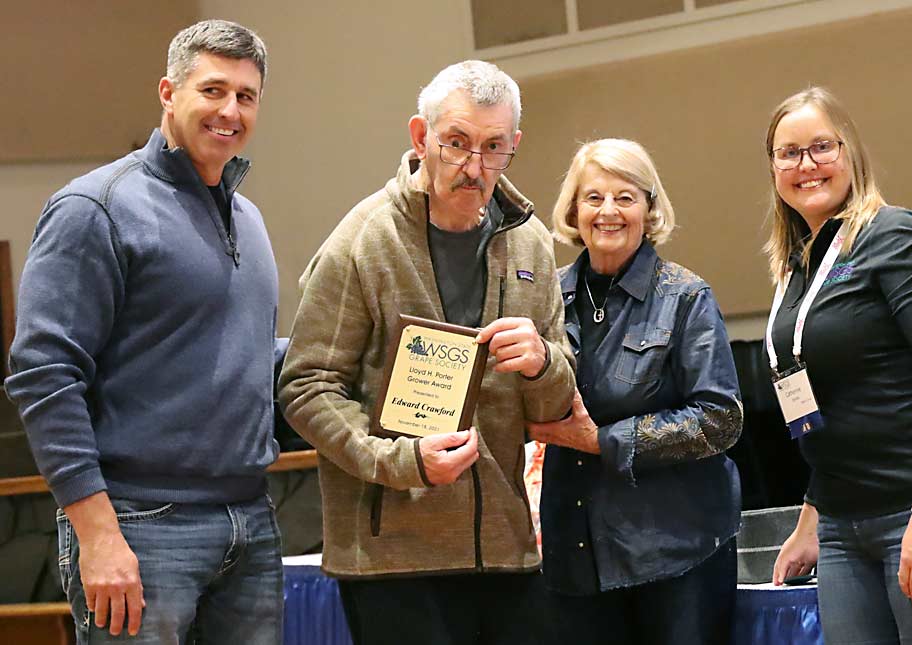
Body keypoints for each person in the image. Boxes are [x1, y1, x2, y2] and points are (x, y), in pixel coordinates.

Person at [277, 60, 576, 645]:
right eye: (457, 143)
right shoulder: (361, 241)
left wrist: (542, 362)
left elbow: (559, 395)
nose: (474, 167)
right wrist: (401, 461)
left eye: (493, 148)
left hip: (504, 550)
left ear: (514, 144)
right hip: (392, 558)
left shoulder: (533, 242)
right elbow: (306, 386)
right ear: (420, 137)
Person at [5, 20, 282, 643]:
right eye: (212, 90)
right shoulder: (95, 208)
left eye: (246, 96)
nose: (230, 110)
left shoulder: (249, 218)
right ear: (168, 92)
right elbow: (44, 376)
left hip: (250, 521)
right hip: (139, 524)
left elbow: (245, 357)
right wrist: (98, 534)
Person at [765, 87, 912, 644]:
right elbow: (832, 401)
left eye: (821, 146)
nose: (806, 165)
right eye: (788, 152)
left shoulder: (895, 235)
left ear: (852, 153)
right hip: (844, 519)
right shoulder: (799, 266)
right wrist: (811, 516)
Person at [527, 138, 743, 644]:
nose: (608, 211)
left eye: (626, 197)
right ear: (573, 210)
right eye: (593, 197)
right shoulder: (544, 297)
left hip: (675, 554)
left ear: (650, 209)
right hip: (573, 552)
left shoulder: (686, 296)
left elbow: (720, 419)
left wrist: (601, 441)